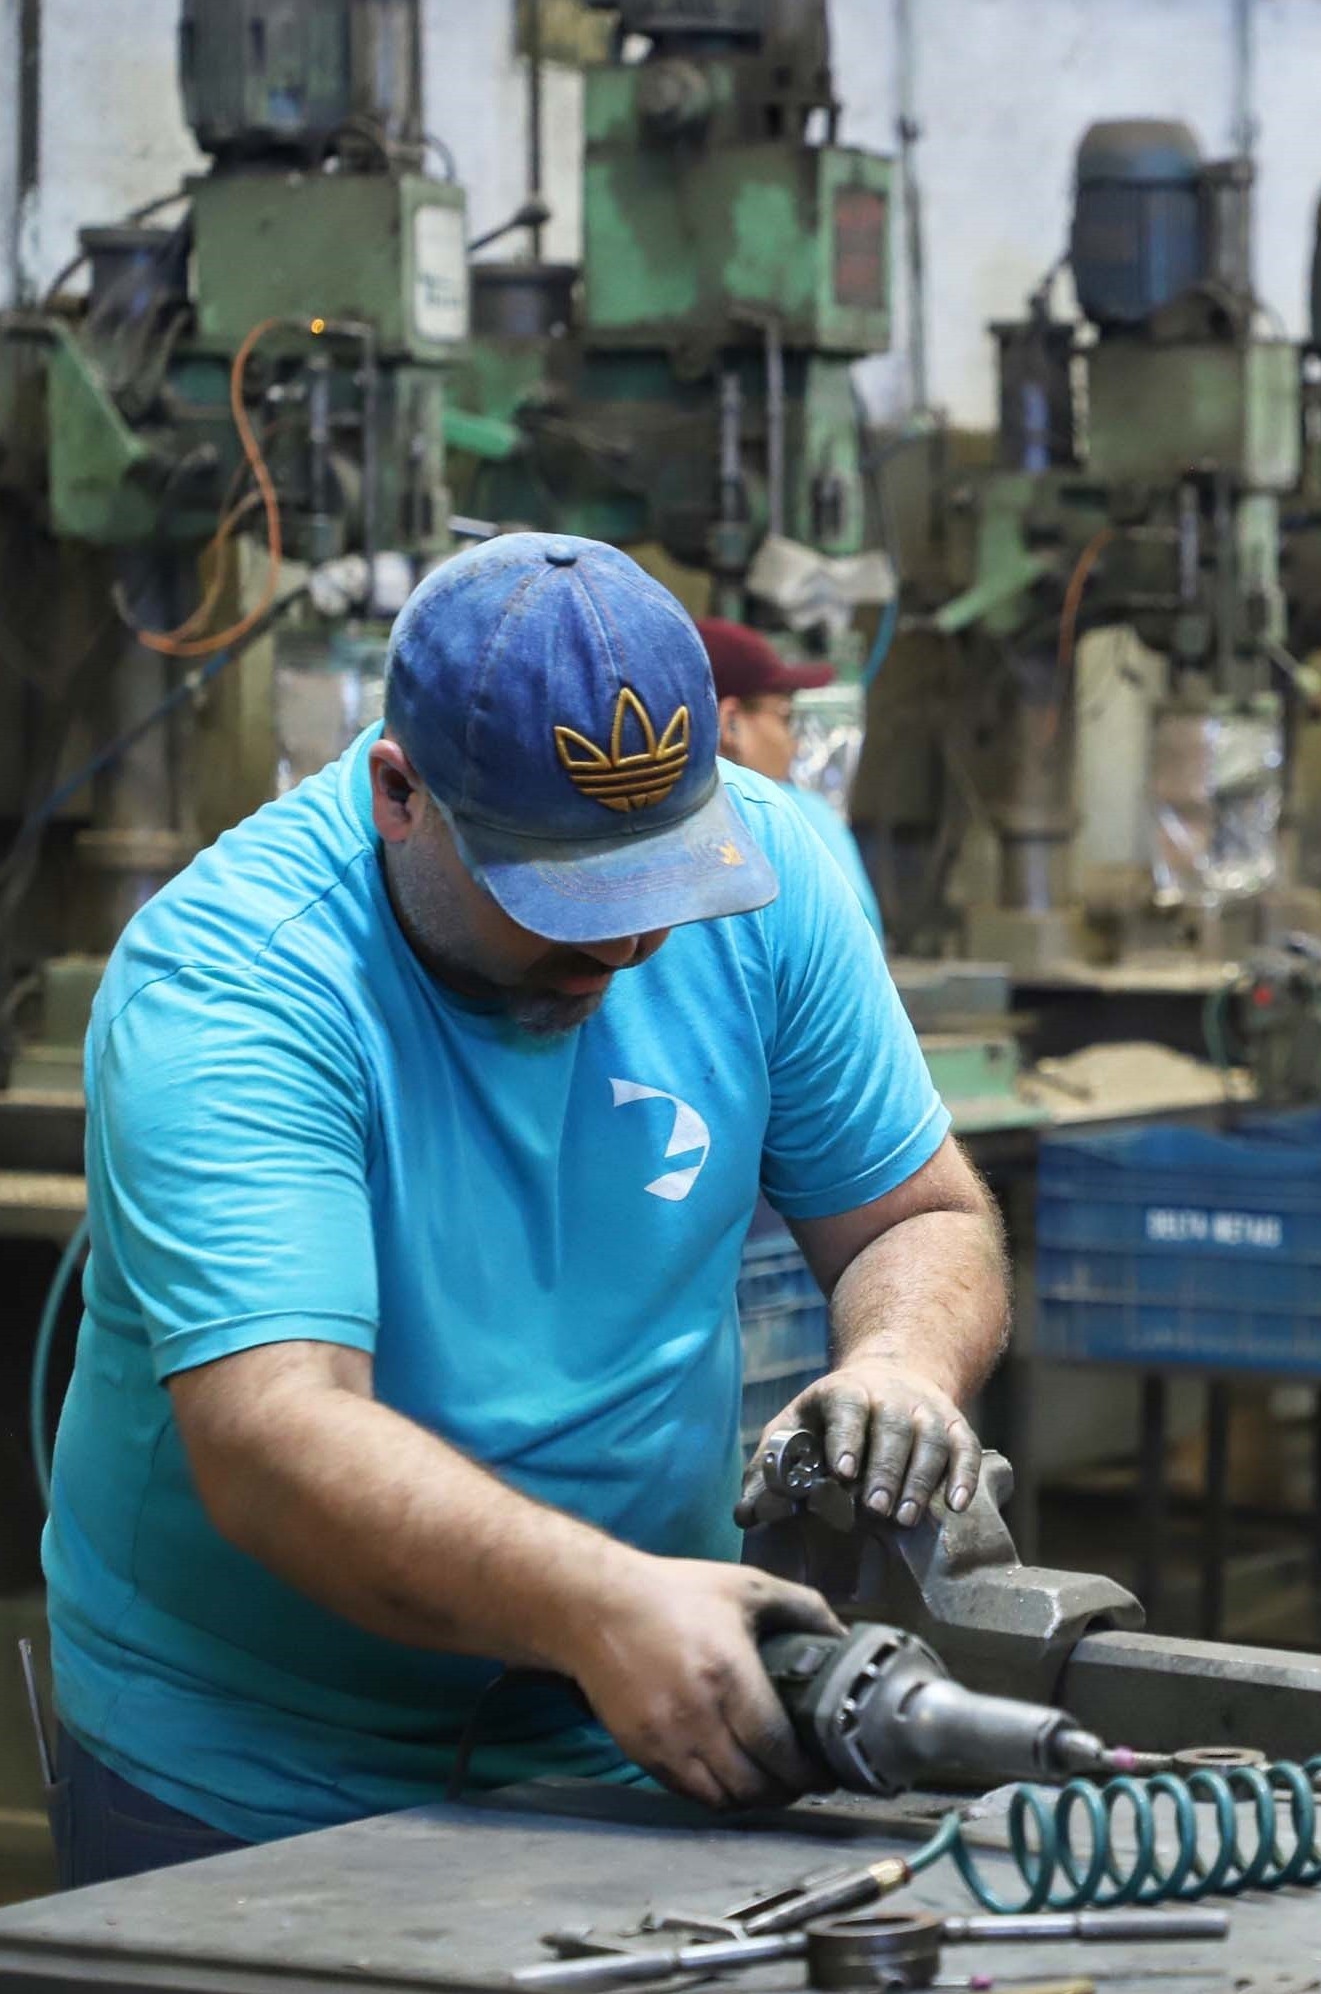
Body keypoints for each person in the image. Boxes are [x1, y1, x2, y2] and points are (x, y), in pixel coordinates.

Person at [42, 535, 1008, 1886]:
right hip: (256, 1768)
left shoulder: (774, 874)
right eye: (563, 896)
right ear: (399, 794)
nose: (623, 947)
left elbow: (916, 1217)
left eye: (658, 881)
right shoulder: (238, 985)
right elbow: (277, 1432)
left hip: (650, 1707)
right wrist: (600, 1603)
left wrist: (902, 1362)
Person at [698, 617, 884, 940]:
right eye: (785, 718)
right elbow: (857, 952)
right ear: (730, 724)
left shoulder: (641, 827)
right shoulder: (791, 815)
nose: (795, 744)